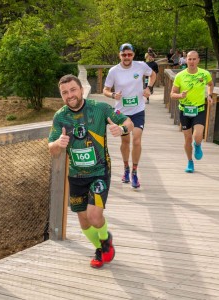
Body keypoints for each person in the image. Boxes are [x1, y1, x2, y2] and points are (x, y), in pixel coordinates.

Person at [48, 74, 134, 268]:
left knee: (95, 216)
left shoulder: (100, 108)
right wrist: (58, 143)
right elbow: (52, 149)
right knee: (84, 222)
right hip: (76, 175)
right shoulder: (60, 116)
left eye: (73, 90)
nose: (70, 95)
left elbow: (129, 122)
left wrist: (121, 130)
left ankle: (104, 238)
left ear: (81, 89)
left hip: (99, 171)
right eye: (64, 92)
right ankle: (101, 246)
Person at [103, 43, 156, 189]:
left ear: (133, 55)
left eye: (129, 54)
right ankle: (126, 168)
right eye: (123, 55)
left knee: (137, 141)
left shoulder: (140, 65)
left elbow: (153, 74)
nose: (127, 57)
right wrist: (113, 94)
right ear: (119, 55)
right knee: (125, 142)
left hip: (138, 110)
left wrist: (149, 88)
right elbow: (105, 90)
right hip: (121, 113)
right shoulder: (114, 71)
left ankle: (134, 172)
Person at [170, 50, 214, 173]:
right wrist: (180, 96)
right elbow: (172, 94)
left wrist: (209, 95)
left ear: (198, 60)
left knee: (197, 135)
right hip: (184, 110)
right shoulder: (180, 76)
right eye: (190, 59)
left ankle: (198, 145)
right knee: (187, 139)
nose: (192, 61)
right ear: (186, 60)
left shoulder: (205, 74)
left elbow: (210, 84)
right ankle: (190, 162)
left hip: (199, 109)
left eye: (194, 59)